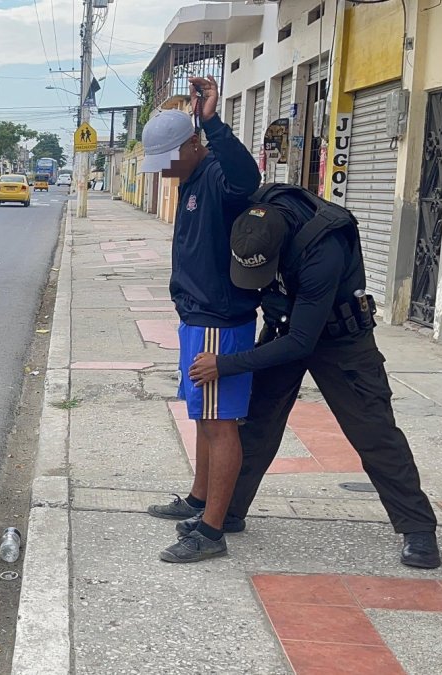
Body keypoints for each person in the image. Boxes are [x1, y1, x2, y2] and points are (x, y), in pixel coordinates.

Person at [185, 184, 441, 569]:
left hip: (341, 340)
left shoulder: (324, 248)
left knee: (374, 431)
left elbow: (301, 343)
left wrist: (225, 364)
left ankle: (418, 528)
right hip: (286, 326)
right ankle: (230, 510)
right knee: (255, 423)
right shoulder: (252, 219)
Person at [139, 77, 262, 563]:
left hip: (218, 320)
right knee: (204, 417)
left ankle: (212, 531)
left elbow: (247, 178)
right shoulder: (191, 180)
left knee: (219, 423)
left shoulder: (217, 176)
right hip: (197, 317)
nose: (164, 171)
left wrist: (212, 121)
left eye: (169, 159)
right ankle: (199, 499)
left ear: (193, 144)